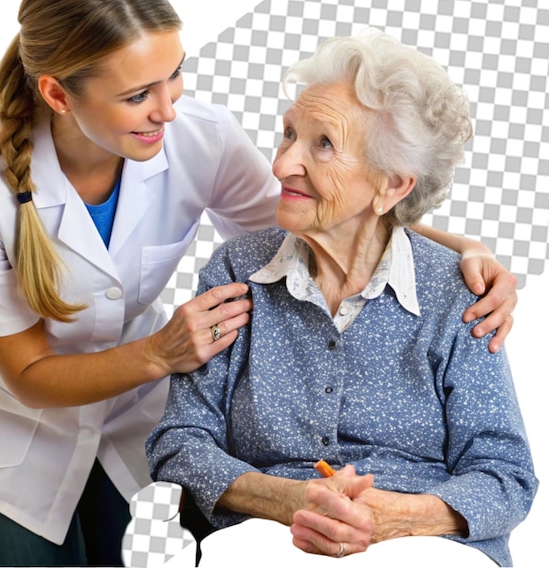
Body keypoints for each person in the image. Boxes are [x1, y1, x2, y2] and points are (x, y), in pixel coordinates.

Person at [0, 0, 515, 567]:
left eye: (174, 74)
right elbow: (29, 375)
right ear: (57, 93)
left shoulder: (196, 138)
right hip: (19, 427)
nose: (168, 109)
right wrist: (161, 353)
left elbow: (326, 207)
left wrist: (463, 249)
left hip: (127, 419)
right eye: (137, 95)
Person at [146, 29, 538, 567]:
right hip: (268, 541)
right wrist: (289, 500)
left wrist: (399, 516)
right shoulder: (237, 272)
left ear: (393, 186)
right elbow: (180, 443)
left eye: (323, 144)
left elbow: (505, 476)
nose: (282, 164)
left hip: (422, 548)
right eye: (288, 134)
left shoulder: (458, 295)